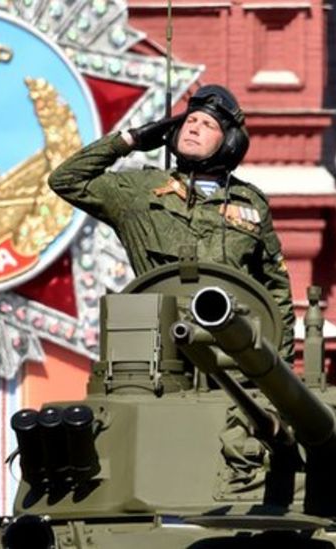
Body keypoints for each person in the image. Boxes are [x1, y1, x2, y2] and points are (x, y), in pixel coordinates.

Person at [48, 85, 296, 361]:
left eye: (207, 124)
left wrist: (278, 364)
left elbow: (276, 289)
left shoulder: (250, 203)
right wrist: (130, 140)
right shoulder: (138, 192)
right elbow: (66, 180)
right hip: (163, 353)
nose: (193, 128)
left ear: (230, 142)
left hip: (234, 355)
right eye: (189, 121)